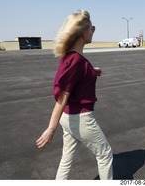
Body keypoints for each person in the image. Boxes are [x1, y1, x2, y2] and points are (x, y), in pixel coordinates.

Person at [36, 10, 113, 180]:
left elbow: (75, 77)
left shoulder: (72, 56)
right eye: (92, 28)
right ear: (83, 32)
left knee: (66, 159)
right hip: (81, 118)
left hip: (69, 117)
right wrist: (51, 128)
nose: (93, 31)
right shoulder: (76, 61)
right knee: (105, 154)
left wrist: (92, 71)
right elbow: (63, 96)